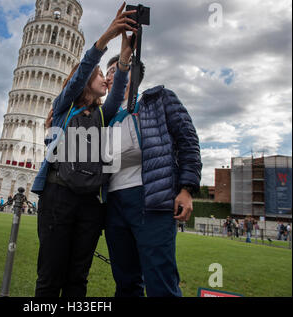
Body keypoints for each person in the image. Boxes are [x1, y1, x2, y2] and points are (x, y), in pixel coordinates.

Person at [31, 3, 137, 297]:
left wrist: (125, 54)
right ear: (86, 78)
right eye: (100, 73)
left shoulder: (103, 115)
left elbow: (118, 91)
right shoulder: (63, 107)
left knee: (78, 277)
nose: (106, 78)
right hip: (58, 195)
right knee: (51, 275)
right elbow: (79, 76)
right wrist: (107, 36)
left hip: (91, 202)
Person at [101, 42, 201, 297]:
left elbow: (188, 140)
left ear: (132, 72)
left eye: (116, 69)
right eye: (108, 71)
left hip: (151, 198)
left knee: (160, 281)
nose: (110, 76)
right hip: (114, 202)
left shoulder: (158, 99)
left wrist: (187, 189)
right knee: (125, 281)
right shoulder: (104, 117)